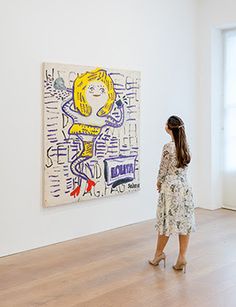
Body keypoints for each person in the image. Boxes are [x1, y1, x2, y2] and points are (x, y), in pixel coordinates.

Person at [149, 115, 196, 273]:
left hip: (170, 188)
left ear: (169, 128)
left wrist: (158, 182)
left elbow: (163, 168)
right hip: (184, 187)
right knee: (184, 223)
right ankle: (182, 257)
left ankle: (158, 255)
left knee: (165, 222)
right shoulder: (185, 146)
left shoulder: (168, 147)